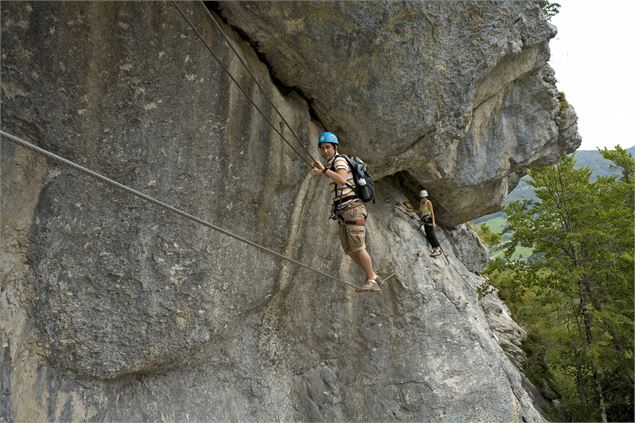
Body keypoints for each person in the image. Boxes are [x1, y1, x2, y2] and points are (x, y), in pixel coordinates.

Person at [311, 131, 381, 292]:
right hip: (344, 212)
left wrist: (323, 171)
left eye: (328, 147)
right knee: (349, 250)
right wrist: (322, 172)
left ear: (335, 147)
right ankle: (373, 275)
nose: (325, 151)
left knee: (358, 247)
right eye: (322, 148)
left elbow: (342, 179)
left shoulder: (339, 160)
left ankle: (371, 279)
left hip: (352, 209)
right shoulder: (332, 164)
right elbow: (339, 180)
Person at [418, 190, 442, 256]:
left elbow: (432, 213)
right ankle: (436, 249)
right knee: (428, 234)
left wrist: (434, 222)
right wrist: (411, 210)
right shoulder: (421, 203)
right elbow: (420, 211)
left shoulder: (428, 202)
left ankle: (437, 249)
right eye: (422, 197)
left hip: (428, 219)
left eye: (425, 197)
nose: (424, 198)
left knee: (431, 233)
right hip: (424, 219)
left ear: (426, 197)